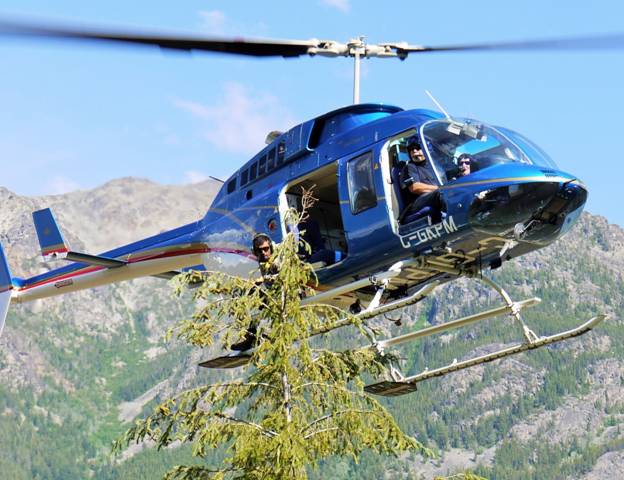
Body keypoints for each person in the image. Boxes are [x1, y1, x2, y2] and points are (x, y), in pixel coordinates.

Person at [231, 233, 276, 351]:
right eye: (259, 250)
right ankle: (250, 335)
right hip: (271, 298)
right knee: (238, 293)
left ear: (271, 248)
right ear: (255, 252)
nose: (263, 253)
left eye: (266, 249)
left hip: (284, 295)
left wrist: (264, 279)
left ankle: (255, 336)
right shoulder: (258, 265)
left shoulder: (278, 260)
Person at [399, 136, 442, 223]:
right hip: (416, 203)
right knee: (441, 193)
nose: (414, 151)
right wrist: (440, 188)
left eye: (418, 148)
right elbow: (414, 188)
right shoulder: (409, 167)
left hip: (433, 197)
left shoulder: (434, 166)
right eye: (411, 149)